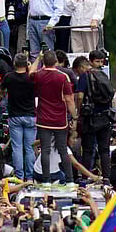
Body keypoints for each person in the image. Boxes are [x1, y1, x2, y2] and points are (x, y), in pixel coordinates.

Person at [29, 50, 75, 186]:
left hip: (43, 119)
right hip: (60, 120)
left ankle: (46, 181)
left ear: (44, 62)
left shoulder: (39, 75)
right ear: (56, 61)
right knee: (62, 150)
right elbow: (69, 99)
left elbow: (30, 72)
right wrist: (74, 116)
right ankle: (70, 181)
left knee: (45, 150)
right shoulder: (63, 77)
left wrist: (38, 58)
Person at [0, 52, 37, 181]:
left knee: (17, 148)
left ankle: (19, 176)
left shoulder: (9, 77)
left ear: (14, 63)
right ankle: (30, 177)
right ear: (26, 64)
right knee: (30, 148)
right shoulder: (31, 77)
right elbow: (34, 71)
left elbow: (1, 92)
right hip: (30, 115)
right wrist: (37, 59)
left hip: (14, 116)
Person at [75, 51, 113, 178]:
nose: (100, 64)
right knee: (104, 150)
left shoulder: (85, 76)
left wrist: (78, 111)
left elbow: (80, 96)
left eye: (101, 61)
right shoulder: (104, 76)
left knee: (87, 149)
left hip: (90, 117)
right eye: (98, 61)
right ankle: (106, 177)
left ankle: (86, 177)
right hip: (106, 116)